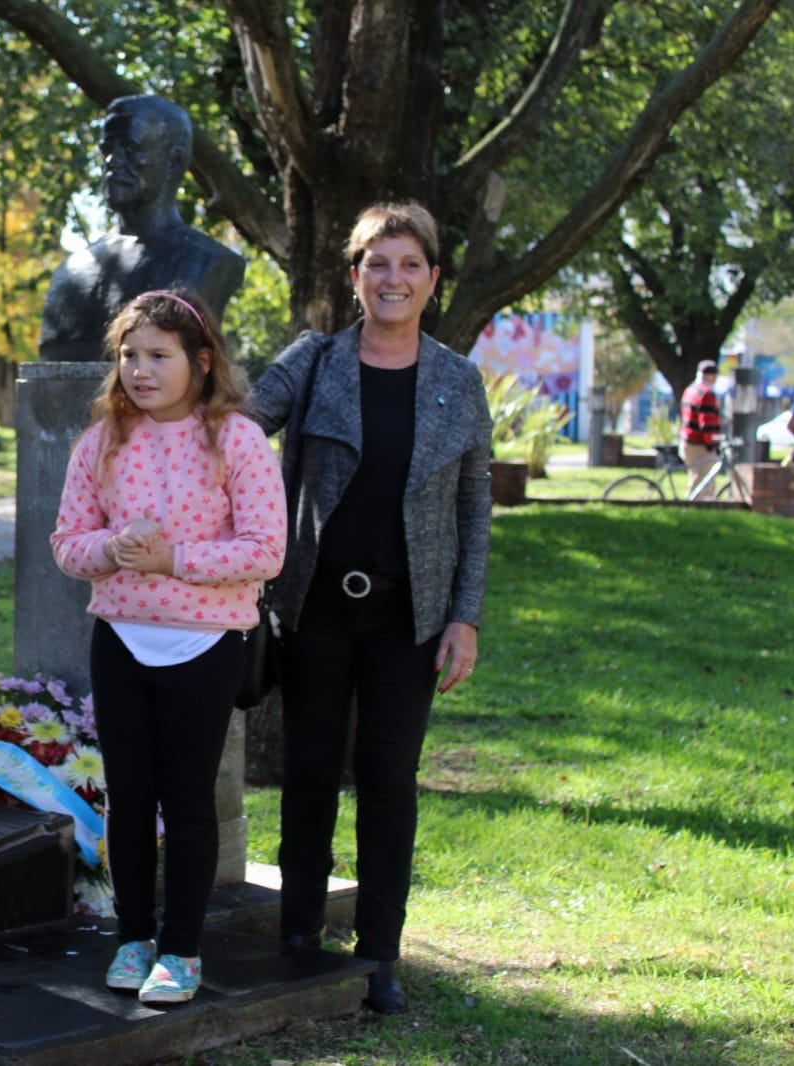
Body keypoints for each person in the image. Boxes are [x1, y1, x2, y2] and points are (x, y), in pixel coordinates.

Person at [248, 202, 491, 1014]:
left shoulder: (457, 380)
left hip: (408, 619)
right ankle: (296, 935)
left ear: (431, 278)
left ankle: (379, 954)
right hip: (313, 606)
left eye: (409, 264)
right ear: (353, 277)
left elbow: (473, 508)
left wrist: (464, 616)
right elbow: (240, 429)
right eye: (376, 263)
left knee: (389, 778)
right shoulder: (314, 361)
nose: (393, 279)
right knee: (309, 772)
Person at [51, 289, 287, 1004]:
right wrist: (110, 548)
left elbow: (266, 550)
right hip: (118, 639)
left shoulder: (237, 440)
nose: (139, 370)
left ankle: (180, 951)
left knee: (186, 801)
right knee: (128, 798)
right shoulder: (101, 441)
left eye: (158, 355)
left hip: (204, 647)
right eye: (128, 355)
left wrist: (171, 560)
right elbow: (67, 544)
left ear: (201, 360)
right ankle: (131, 938)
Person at [39, 95, 246, 363]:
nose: (112, 161)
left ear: (175, 161)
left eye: (130, 148)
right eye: (107, 149)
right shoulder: (71, 274)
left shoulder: (208, 263)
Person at [679, 360, 723, 493]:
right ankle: (693, 511)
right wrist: (713, 442)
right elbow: (707, 423)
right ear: (710, 375)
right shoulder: (707, 393)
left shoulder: (690, 389)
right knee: (703, 486)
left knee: (695, 479)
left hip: (687, 441)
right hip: (700, 444)